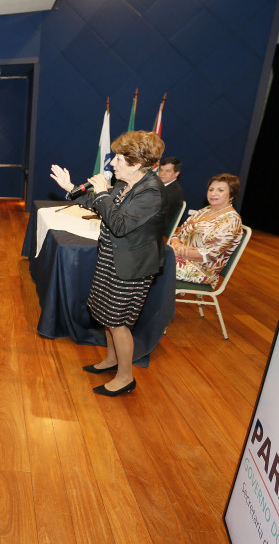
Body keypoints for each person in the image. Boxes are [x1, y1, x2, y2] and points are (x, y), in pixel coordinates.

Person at [50, 130, 166, 397]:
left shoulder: (151, 192)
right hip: (112, 259)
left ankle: (125, 377)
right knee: (105, 314)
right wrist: (71, 188)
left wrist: (102, 194)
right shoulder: (128, 185)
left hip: (131, 267)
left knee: (118, 321)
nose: (112, 163)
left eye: (118, 158)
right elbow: (99, 204)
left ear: (136, 164)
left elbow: (120, 224)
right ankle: (112, 360)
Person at [168, 173, 243, 289]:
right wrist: (176, 244)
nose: (213, 193)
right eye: (211, 189)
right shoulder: (205, 210)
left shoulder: (231, 220)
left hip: (202, 269)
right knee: (144, 256)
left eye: (220, 190)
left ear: (231, 195)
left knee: (151, 261)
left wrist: (175, 252)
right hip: (180, 257)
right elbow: (178, 232)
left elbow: (208, 255)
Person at [157, 156, 185, 236]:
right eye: (161, 170)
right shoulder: (160, 186)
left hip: (155, 232)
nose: (162, 174)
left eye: (168, 171)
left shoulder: (174, 192)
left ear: (176, 173)